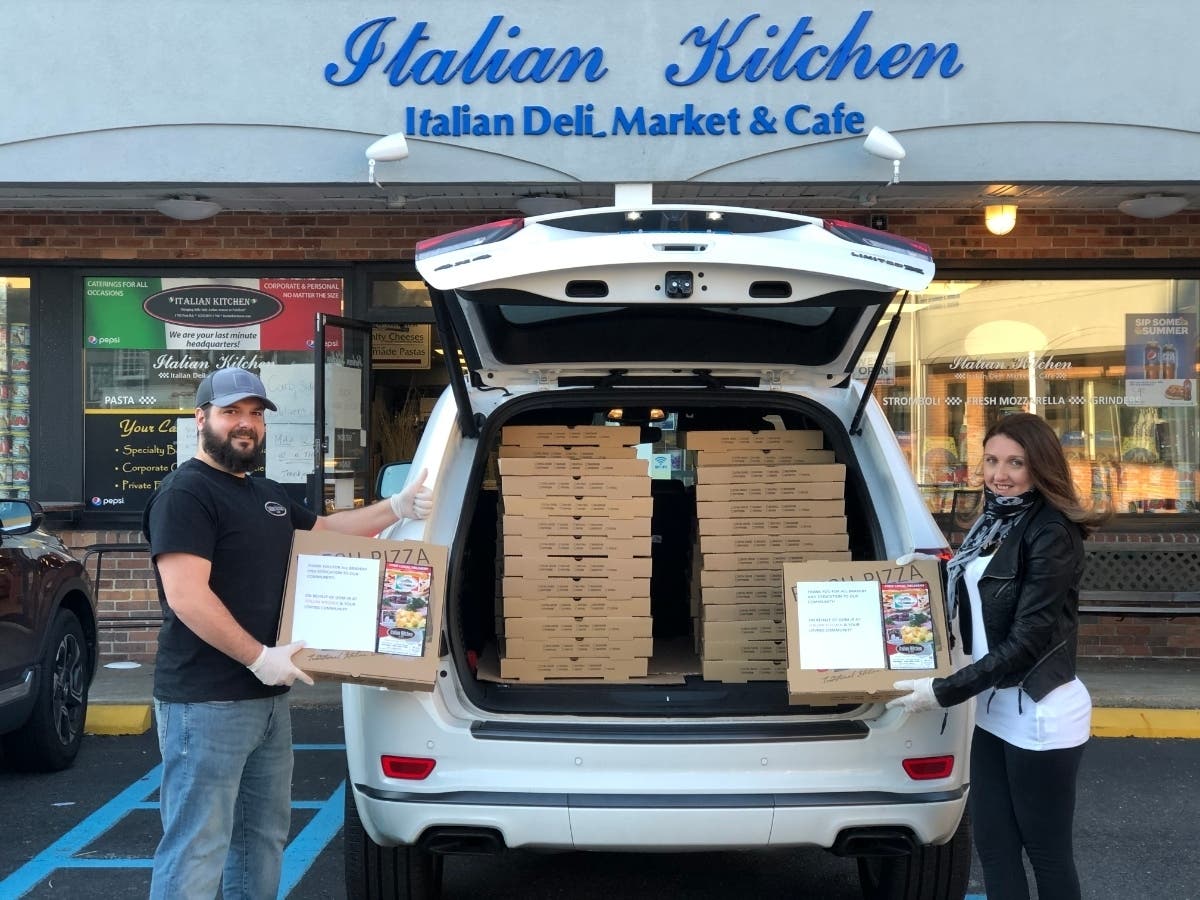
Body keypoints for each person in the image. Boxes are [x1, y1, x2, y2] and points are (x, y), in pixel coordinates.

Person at [143, 366, 433, 900]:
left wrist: (396, 508)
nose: (246, 424)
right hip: (206, 703)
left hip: (267, 702)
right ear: (201, 418)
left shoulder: (264, 494)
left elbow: (325, 531)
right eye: (232, 412)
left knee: (261, 839)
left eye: (255, 414)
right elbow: (187, 596)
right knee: (198, 845)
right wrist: (259, 657)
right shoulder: (185, 493)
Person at [887, 412, 1109, 900]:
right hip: (991, 706)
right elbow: (979, 593)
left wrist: (942, 691)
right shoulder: (992, 524)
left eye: (1015, 462)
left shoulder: (1051, 532)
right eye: (990, 460)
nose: (999, 474)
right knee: (993, 845)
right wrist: (929, 574)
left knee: (1046, 852)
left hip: (1039, 711)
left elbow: (1028, 639)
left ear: (1041, 467)